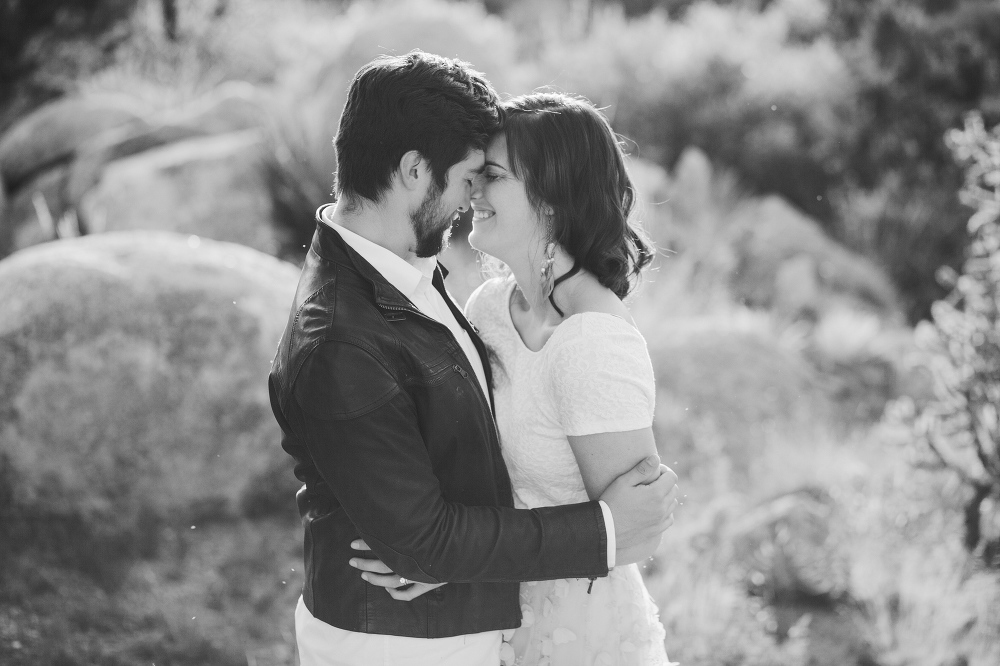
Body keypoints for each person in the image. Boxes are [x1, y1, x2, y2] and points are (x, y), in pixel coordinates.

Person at [267, 52, 679, 666]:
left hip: (552, 630)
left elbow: (633, 524)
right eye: (469, 175)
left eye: (492, 176)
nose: (473, 195)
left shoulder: (415, 277)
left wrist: (445, 557)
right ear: (413, 171)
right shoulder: (351, 336)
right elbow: (431, 532)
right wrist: (437, 555)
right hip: (399, 644)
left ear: (551, 199)